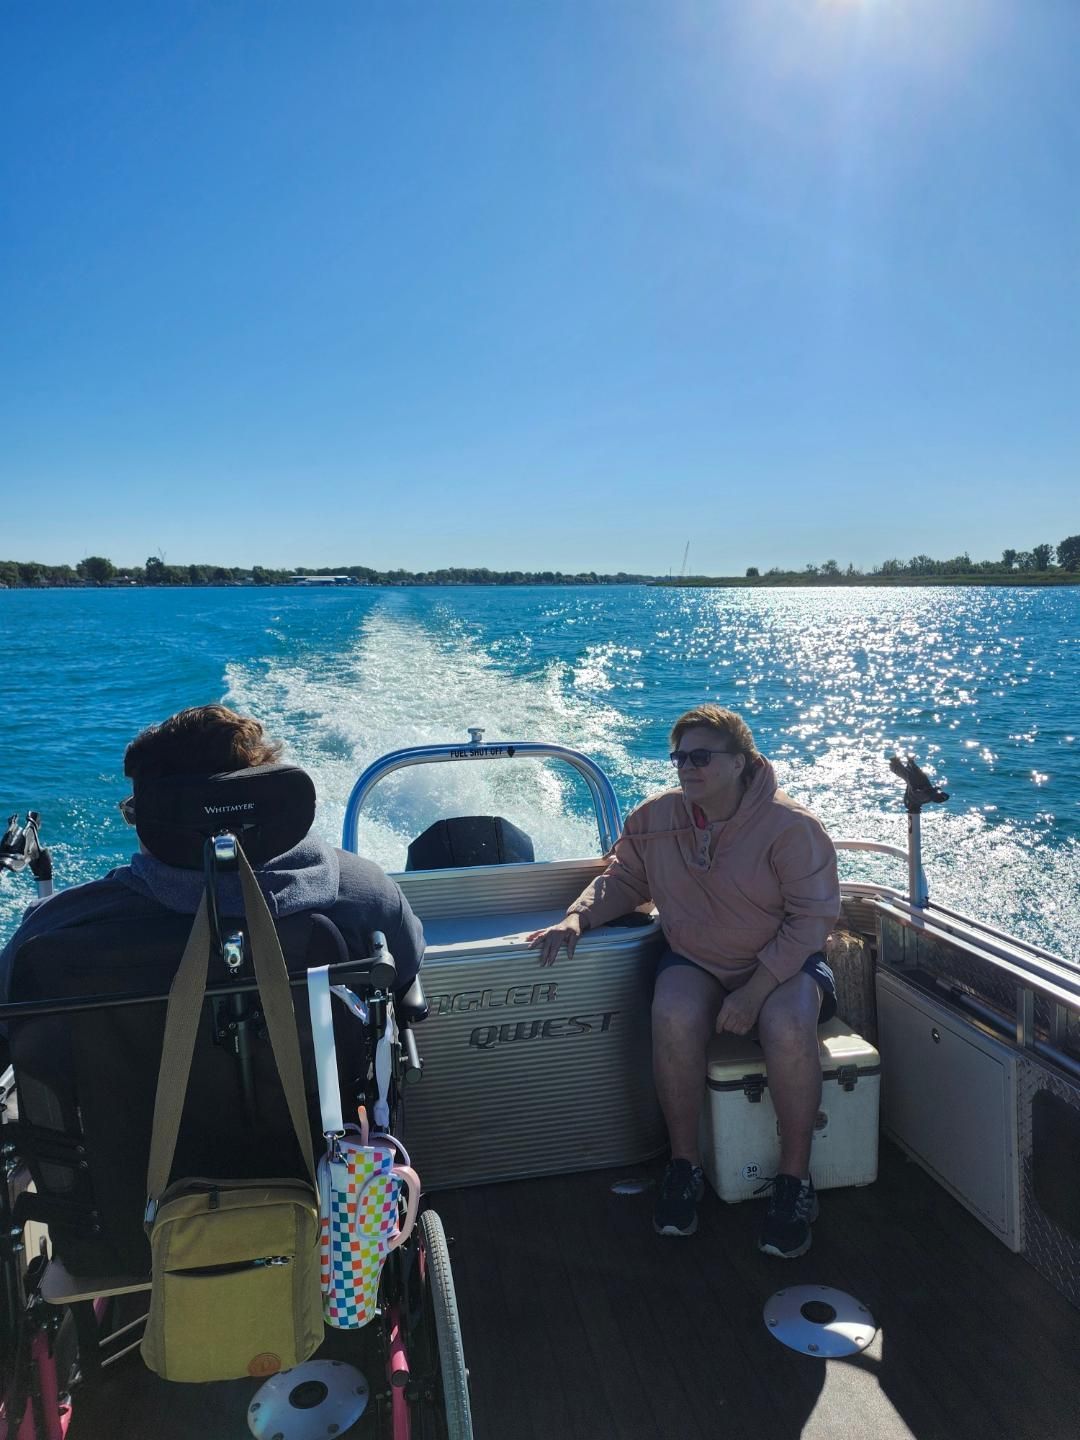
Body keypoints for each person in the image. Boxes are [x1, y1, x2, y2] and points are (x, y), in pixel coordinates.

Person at [528, 705, 840, 1256]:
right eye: (679, 757)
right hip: (698, 959)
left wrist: (755, 989)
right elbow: (624, 880)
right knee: (670, 1012)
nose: (686, 767)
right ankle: (683, 1166)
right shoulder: (657, 819)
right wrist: (577, 917)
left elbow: (812, 922)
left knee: (789, 1024)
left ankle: (795, 1182)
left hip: (784, 964)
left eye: (701, 756)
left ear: (741, 763)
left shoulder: (792, 828)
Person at [0, 705, 424, 1009]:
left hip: (126, 1135)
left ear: (157, 819)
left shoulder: (56, 927)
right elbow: (405, 977)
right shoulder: (366, 896)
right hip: (322, 1130)